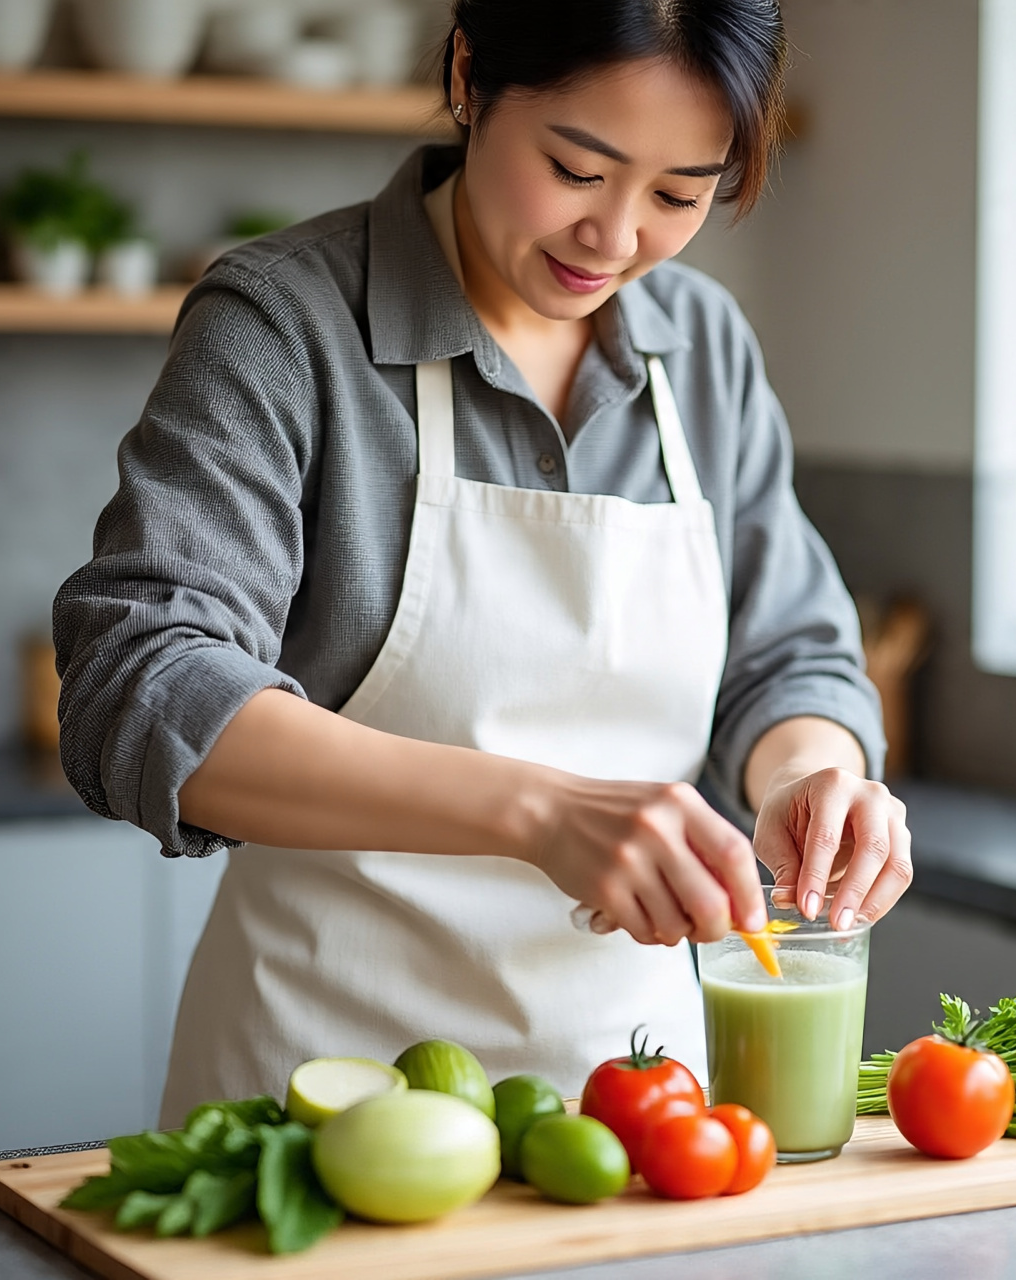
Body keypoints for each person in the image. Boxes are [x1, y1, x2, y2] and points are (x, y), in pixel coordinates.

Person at [54, 0, 911, 1125]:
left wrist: (807, 775)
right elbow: (142, 680)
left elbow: (788, 653)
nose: (614, 239)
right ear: (469, 75)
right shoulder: (283, 323)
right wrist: (537, 811)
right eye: (575, 169)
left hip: (642, 1107)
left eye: (677, 195)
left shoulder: (702, 347)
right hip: (325, 1094)